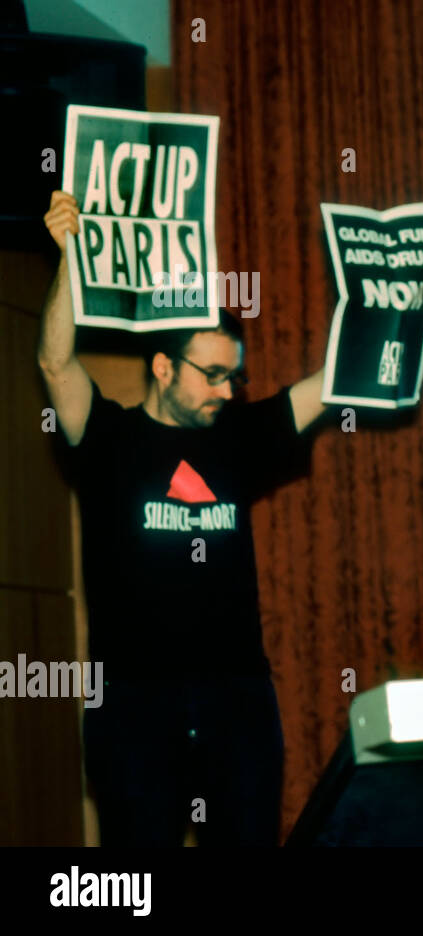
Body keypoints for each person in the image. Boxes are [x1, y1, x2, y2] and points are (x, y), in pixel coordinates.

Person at [38, 190, 329, 845]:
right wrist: (68, 259)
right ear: (164, 366)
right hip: (134, 704)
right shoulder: (108, 437)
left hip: (238, 701)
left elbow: (333, 382)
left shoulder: (238, 436)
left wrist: (397, 302)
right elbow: (55, 363)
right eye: (214, 375)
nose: (229, 391)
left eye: (235, 377)